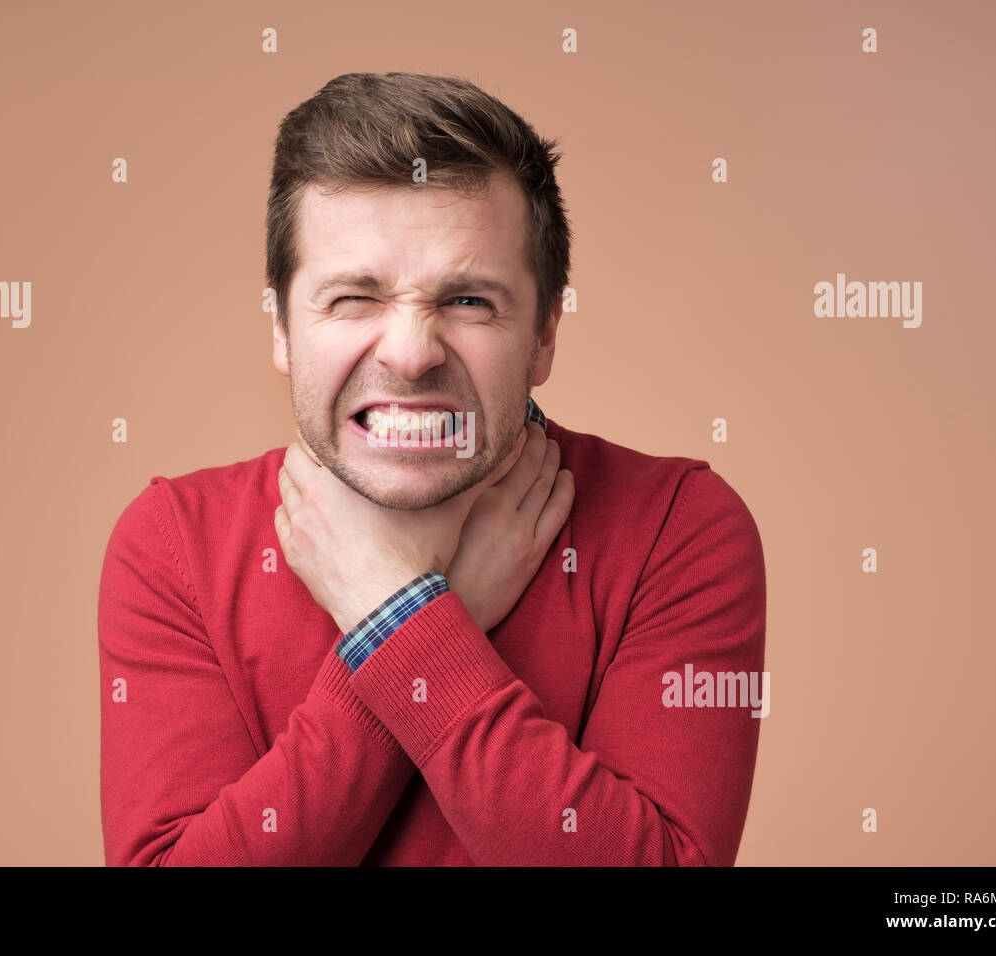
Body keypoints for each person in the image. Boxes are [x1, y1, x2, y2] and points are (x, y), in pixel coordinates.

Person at [98, 72, 766, 866]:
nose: (412, 353)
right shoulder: (174, 543)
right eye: (353, 298)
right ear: (280, 326)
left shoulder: (677, 529)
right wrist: (435, 618)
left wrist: (394, 611)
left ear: (546, 332)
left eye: (470, 302)